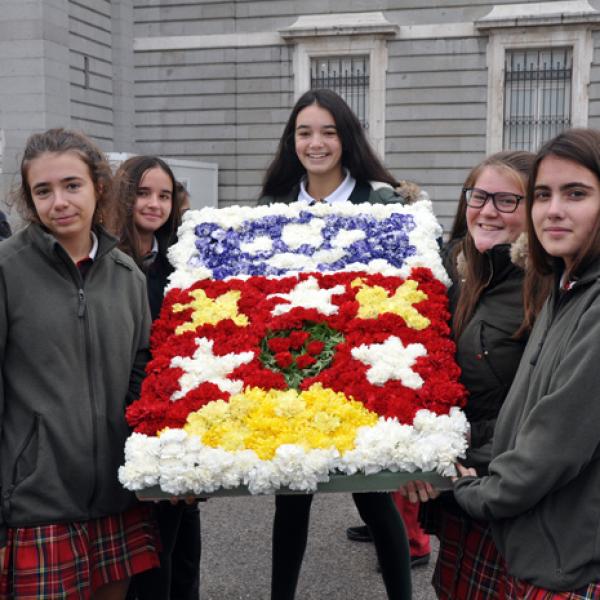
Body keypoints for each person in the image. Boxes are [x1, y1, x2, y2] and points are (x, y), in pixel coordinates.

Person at [258, 88, 412, 600]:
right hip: (296, 362)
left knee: (373, 494)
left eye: (327, 132)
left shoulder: (381, 201)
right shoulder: (273, 204)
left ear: (346, 139)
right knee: (293, 495)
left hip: (360, 367)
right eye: (305, 132)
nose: (316, 143)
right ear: (292, 140)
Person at [0, 128, 159, 599]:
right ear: (29, 200)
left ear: (98, 188)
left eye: (72, 185)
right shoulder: (7, 271)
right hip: (35, 501)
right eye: (43, 191)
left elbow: (142, 380)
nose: (59, 202)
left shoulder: (129, 276)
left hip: (116, 497)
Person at [453, 128, 600, 597]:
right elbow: (525, 410)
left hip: (565, 554)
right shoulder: (565, 285)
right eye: (543, 194)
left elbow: (555, 443)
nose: (553, 209)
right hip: (527, 529)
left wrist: (473, 492)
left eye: (575, 193)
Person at [404, 150, 539, 599]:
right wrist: (419, 450)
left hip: (513, 489)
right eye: (478, 196)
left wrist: (462, 459)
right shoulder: (456, 268)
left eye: (507, 201)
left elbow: (541, 407)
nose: (486, 210)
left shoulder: (544, 287)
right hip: (463, 485)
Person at [115, 156, 201, 600]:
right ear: (122, 196)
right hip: (136, 420)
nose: (154, 204)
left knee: (186, 551)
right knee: (153, 559)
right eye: (143, 194)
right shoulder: (112, 261)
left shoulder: (178, 263)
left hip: (180, 418)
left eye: (164, 195)